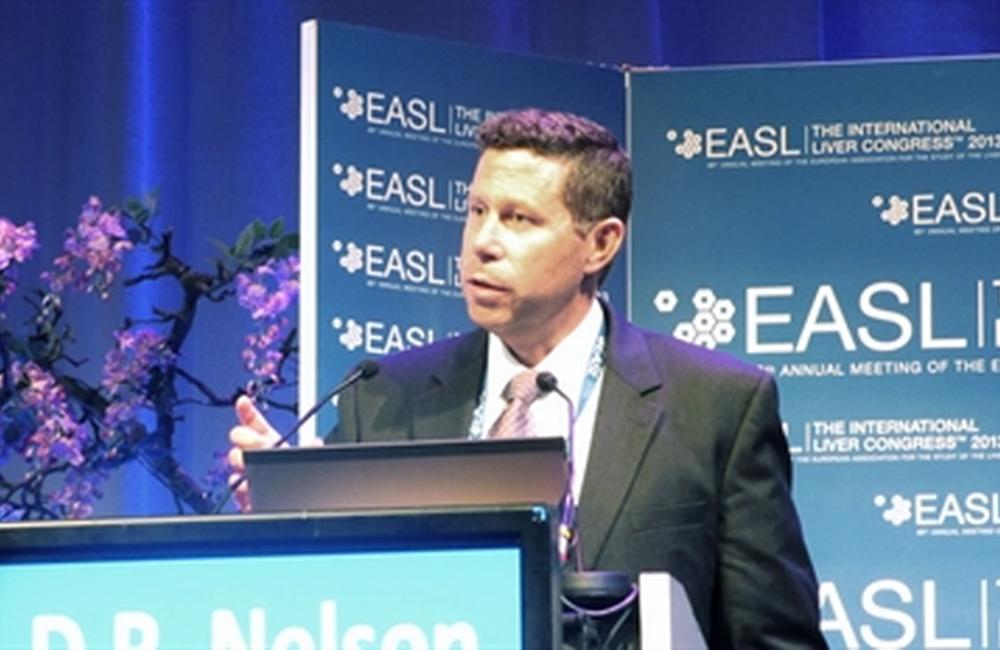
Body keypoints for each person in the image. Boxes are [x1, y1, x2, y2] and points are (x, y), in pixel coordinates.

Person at [229, 108, 826, 648]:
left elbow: (777, 640)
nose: (482, 243)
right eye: (477, 211)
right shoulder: (382, 396)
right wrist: (289, 506)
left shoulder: (714, 405)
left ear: (600, 244)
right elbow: (335, 606)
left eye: (518, 219)